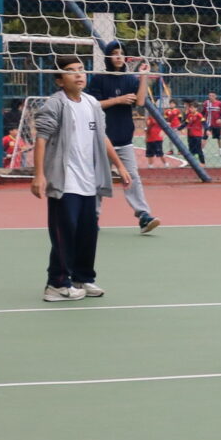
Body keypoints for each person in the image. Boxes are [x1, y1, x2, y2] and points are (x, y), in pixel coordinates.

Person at [29, 56, 134, 302]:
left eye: (81, 70)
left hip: (89, 181)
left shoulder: (92, 103)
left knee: (88, 233)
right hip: (65, 181)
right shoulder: (55, 104)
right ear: (59, 80)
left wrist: (120, 166)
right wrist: (39, 175)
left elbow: (102, 136)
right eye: (70, 71)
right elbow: (41, 139)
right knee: (65, 233)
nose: (78, 74)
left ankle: (82, 278)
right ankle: (56, 284)